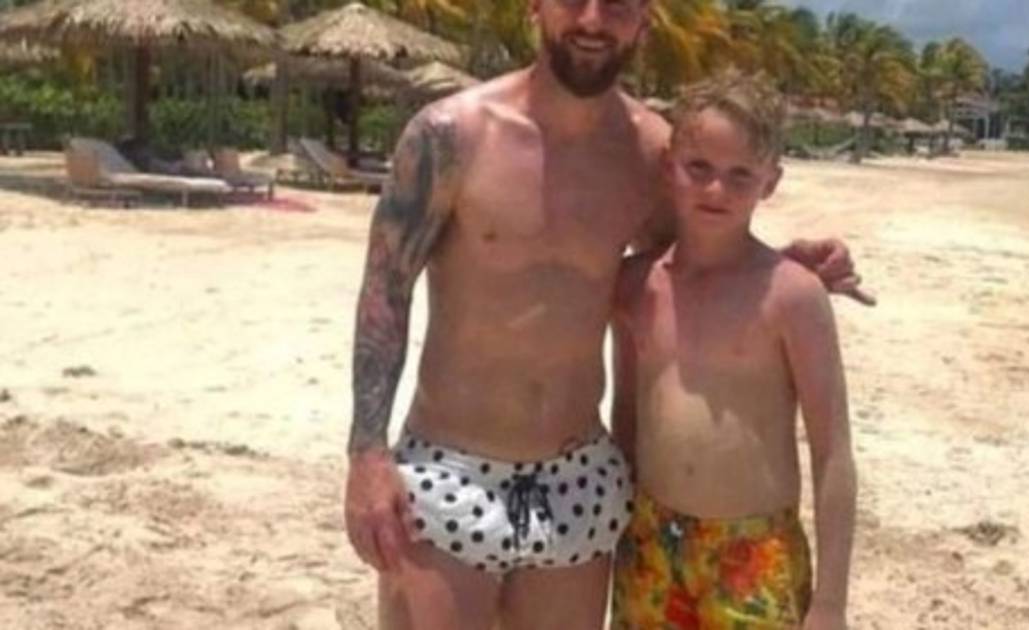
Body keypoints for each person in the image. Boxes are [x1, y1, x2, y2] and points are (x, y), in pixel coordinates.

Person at [343, 0, 870, 627]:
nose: (593, 20)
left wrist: (782, 268)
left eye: (618, 5)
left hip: (578, 478)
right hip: (450, 465)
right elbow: (385, 288)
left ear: (643, 20)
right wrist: (366, 454)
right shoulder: (452, 135)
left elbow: (694, 266)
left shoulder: (651, 154)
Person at [609, 72, 857, 630]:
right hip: (648, 542)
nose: (716, 190)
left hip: (754, 553)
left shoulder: (792, 296)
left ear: (770, 182)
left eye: (740, 174)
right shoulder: (634, 285)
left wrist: (831, 604)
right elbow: (626, 416)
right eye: (699, 168)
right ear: (670, 165)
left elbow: (833, 452)